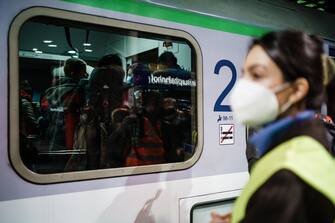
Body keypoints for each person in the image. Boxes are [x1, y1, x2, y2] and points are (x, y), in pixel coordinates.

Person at [210, 30, 335, 223]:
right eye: (244, 75)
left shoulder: (288, 176)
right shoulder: (297, 151)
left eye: (257, 75)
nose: (244, 86)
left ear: (297, 90)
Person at [41, 58, 86, 151]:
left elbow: (45, 115)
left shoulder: (50, 92)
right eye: (83, 73)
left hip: (52, 137)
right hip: (72, 139)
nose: (86, 75)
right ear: (75, 73)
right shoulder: (79, 92)